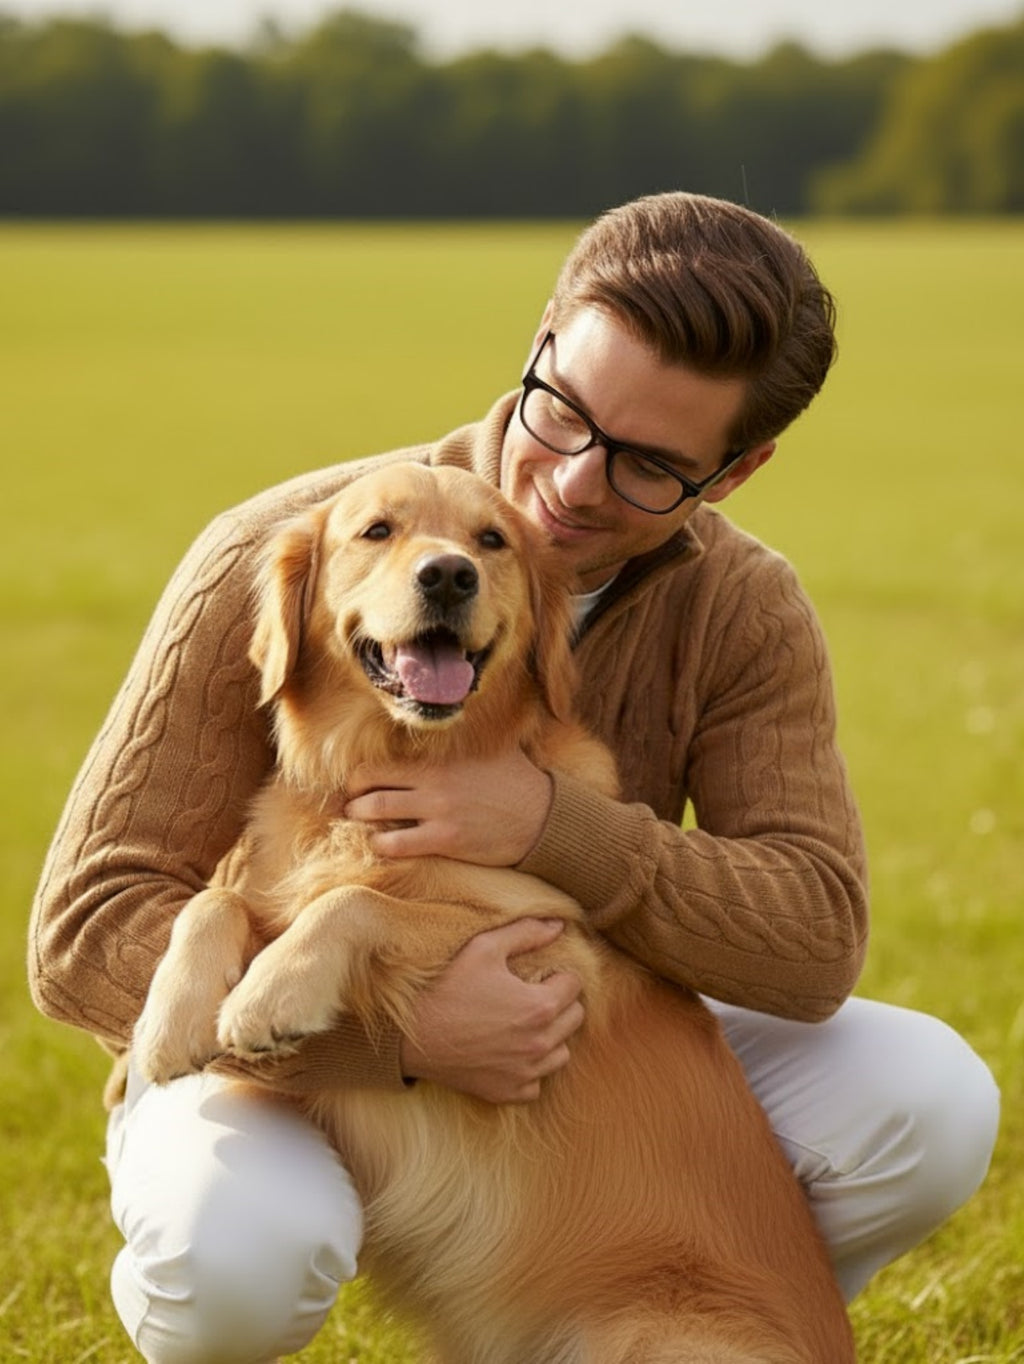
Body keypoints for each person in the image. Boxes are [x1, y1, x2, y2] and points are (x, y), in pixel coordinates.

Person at [30, 192, 998, 1364]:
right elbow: (83, 928)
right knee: (236, 1250)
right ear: (541, 340)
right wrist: (400, 1040)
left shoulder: (743, 607)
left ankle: (620, 1297)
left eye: (647, 464)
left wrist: (552, 824)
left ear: (734, 472)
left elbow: (811, 934)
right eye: (568, 414)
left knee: (927, 1095)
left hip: (566, 1056)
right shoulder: (276, 548)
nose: (575, 483)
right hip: (282, 1054)